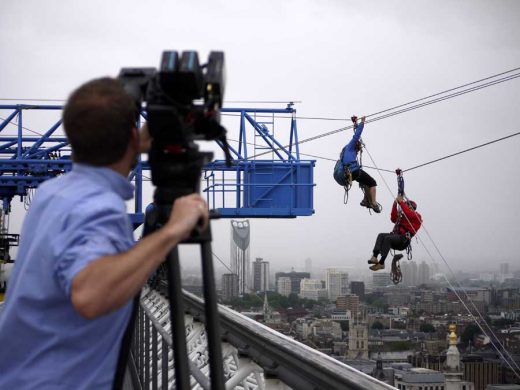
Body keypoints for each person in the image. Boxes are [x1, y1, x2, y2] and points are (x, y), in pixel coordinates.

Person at [0, 77, 209, 389]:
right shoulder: (98, 207)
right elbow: (90, 294)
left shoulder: (52, 193)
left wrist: (134, 140)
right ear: (129, 138)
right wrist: (172, 231)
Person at [368, 195, 422, 271]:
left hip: (403, 240)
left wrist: (401, 202)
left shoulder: (417, 216)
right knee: (381, 235)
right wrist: (395, 204)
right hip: (396, 238)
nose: (407, 208)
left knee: (388, 238)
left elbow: (409, 213)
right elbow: (393, 218)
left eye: (408, 206)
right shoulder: (403, 217)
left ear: (412, 208)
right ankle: (375, 256)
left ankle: (381, 263)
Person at [341, 115, 381, 213]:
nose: (358, 151)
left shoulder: (344, 154)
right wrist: (362, 123)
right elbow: (356, 136)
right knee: (372, 182)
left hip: (349, 174)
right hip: (353, 171)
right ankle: (374, 203)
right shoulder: (350, 146)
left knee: (365, 182)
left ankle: (365, 200)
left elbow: (356, 134)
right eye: (358, 149)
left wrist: (355, 124)